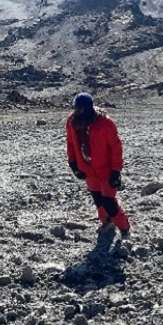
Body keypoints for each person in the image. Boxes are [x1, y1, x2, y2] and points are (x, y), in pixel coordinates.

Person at [66, 93, 131, 239]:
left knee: (108, 201)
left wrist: (116, 171)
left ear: (88, 109)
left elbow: (116, 148)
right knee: (98, 199)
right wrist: (73, 164)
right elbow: (70, 143)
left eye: (80, 109)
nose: (77, 112)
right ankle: (107, 223)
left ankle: (124, 228)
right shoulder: (72, 122)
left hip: (107, 170)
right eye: (76, 108)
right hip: (88, 170)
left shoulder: (105, 123)